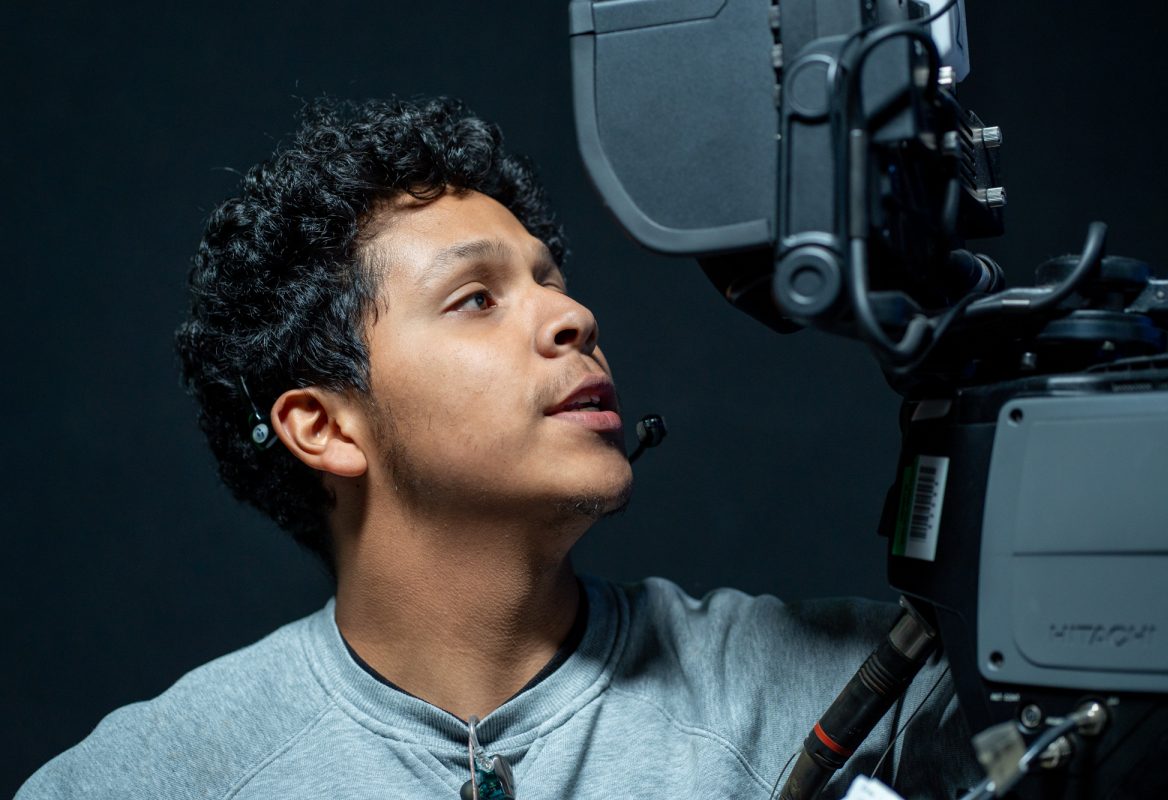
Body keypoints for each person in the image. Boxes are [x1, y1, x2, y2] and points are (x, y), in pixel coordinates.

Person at [17, 96, 978, 800]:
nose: (572, 315)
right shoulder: (161, 777)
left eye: (551, 280)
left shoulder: (821, 691)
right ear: (324, 426)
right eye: (476, 298)